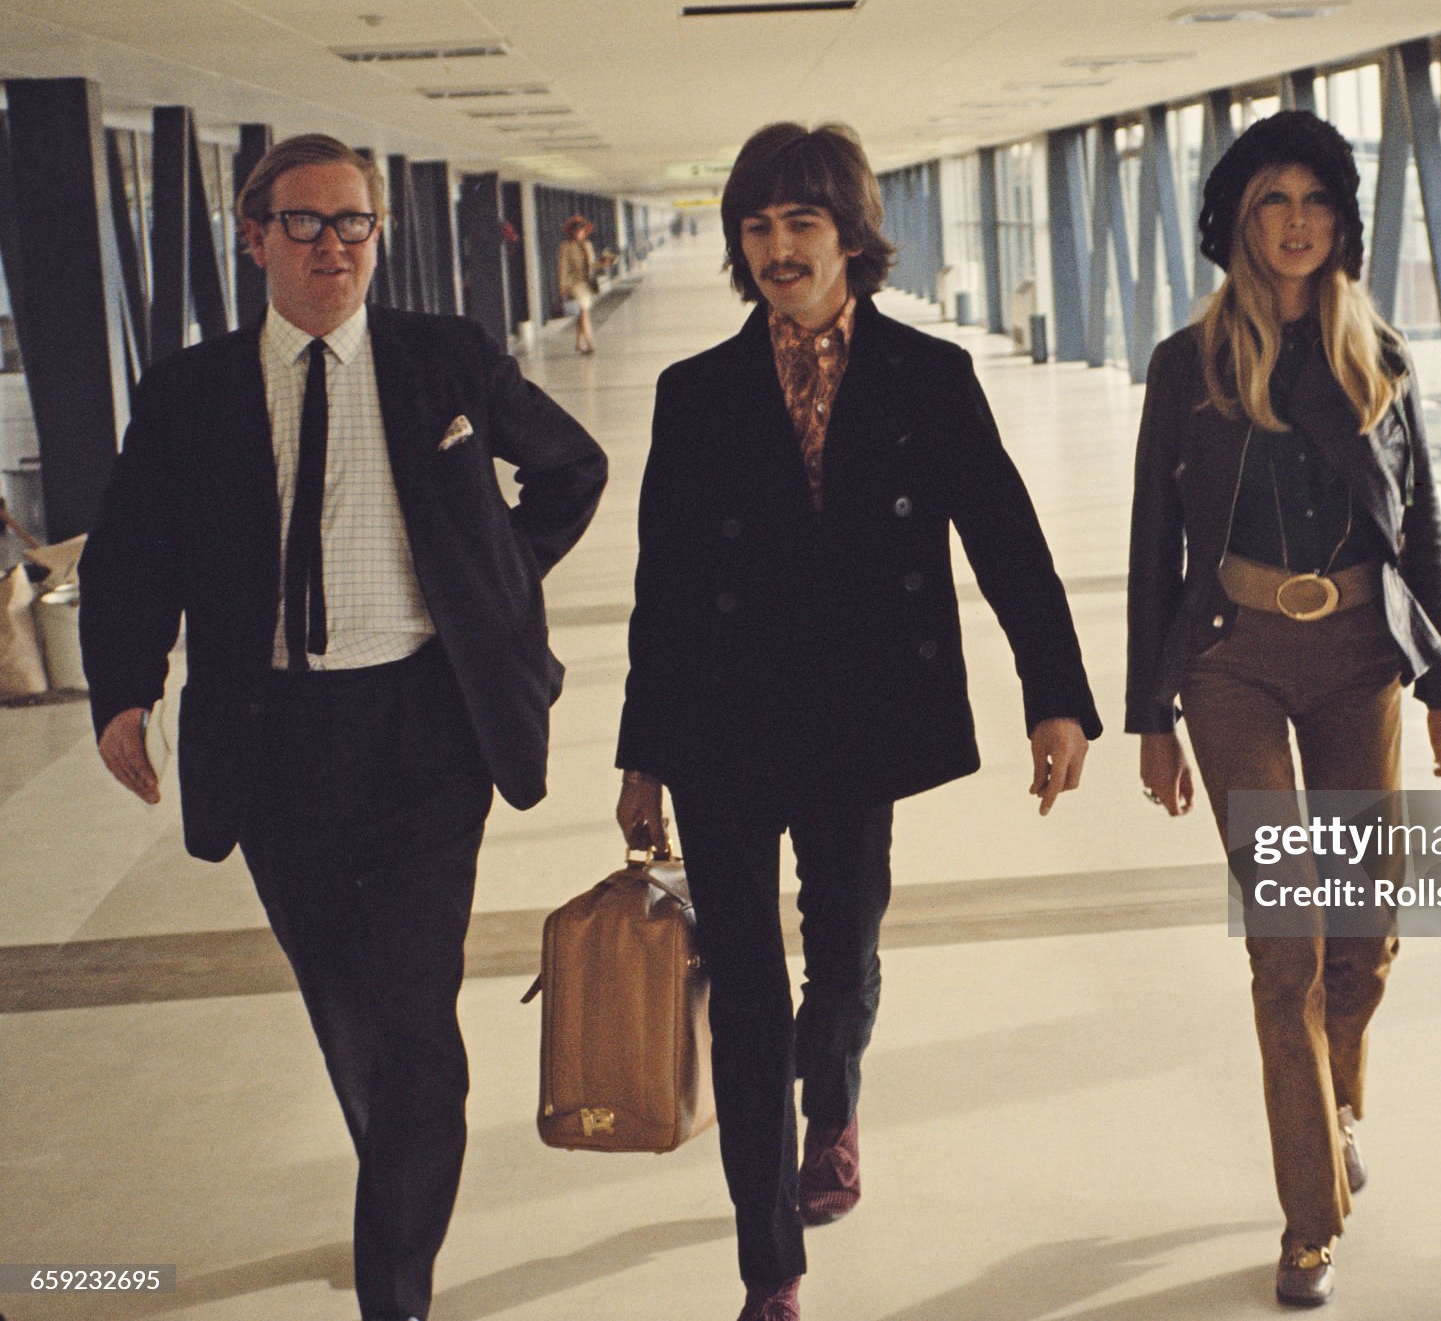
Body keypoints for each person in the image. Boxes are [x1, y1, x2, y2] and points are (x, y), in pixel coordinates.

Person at [79, 133, 607, 1321]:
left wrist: (492, 583)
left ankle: (395, 1288)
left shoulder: (444, 360)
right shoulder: (190, 393)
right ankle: (398, 1180)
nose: (334, 245)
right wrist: (121, 688)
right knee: (346, 1007)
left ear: (381, 234)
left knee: (415, 1017)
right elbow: (129, 557)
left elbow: (573, 468)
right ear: (255, 237)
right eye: (306, 223)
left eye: (354, 222)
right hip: (271, 740)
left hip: (427, 725)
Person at [613, 121, 1099, 1321]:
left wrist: (1057, 695)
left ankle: (829, 1106)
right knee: (744, 978)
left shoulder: (926, 378)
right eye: (757, 226)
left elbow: (1007, 540)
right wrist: (642, 753)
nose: (776, 249)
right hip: (726, 723)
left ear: (849, 236)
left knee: (843, 952)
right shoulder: (696, 392)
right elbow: (662, 583)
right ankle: (766, 1262)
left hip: (858, 721)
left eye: (800, 225)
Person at [1126, 110, 1441, 1309]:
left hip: (1362, 657)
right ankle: (1308, 1217)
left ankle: (1335, 1100)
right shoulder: (1190, 366)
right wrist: (1148, 713)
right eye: (1271, 201)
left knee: (1364, 934)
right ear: (1234, 224)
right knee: (1289, 941)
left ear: (1342, 224)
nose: (1294, 223)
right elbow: (1151, 545)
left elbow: (1421, 524)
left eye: (1315, 201)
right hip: (1230, 655)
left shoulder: (1377, 356)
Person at [557, 215, 613, 354]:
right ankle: (590, 342)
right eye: (577, 231)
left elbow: (592, 265)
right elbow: (562, 267)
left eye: (582, 231)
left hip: (586, 283)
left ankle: (579, 343)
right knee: (584, 310)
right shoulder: (565, 247)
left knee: (582, 312)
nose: (579, 233)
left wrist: (604, 262)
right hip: (573, 283)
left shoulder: (587, 246)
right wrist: (562, 285)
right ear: (571, 232)